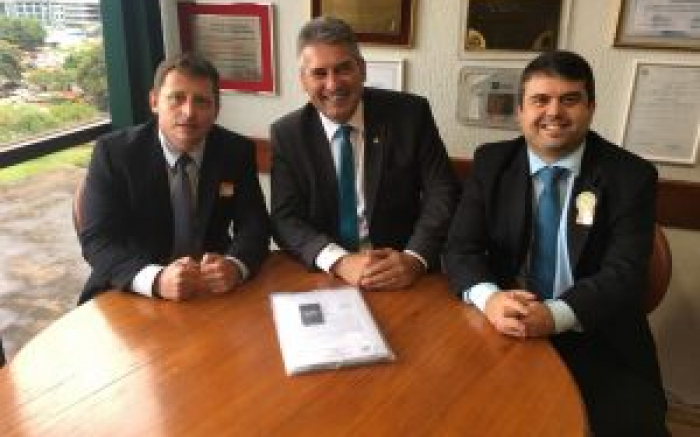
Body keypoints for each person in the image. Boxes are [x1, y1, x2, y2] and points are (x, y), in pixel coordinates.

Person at [444, 50, 668, 436]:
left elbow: (626, 274)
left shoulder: (631, 175)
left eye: (569, 99)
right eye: (540, 100)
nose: (554, 112)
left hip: (596, 332)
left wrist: (555, 315)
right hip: (504, 327)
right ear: (520, 111)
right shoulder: (492, 163)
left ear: (591, 107)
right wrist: (491, 299)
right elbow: (460, 249)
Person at [271, 17, 458, 289]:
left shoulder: (410, 115)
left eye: (343, 68)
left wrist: (414, 258)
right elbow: (285, 219)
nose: (333, 84)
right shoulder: (288, 134)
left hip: (400, 269)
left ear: (362, 69)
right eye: (319, 73)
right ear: (303, 81)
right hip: (327, 274)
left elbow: (442, 191)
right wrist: (339, 261)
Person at [77, 53, 270, 304]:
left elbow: (255, 225)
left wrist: (235, 266)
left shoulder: (235, 151)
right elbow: (98, 241)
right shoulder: (114, 154)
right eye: (177, 98)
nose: (189, 112)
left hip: (208, 289)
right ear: (154, 102)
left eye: (202, 101)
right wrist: (156, 279)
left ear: (216, 110)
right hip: (131, 286)